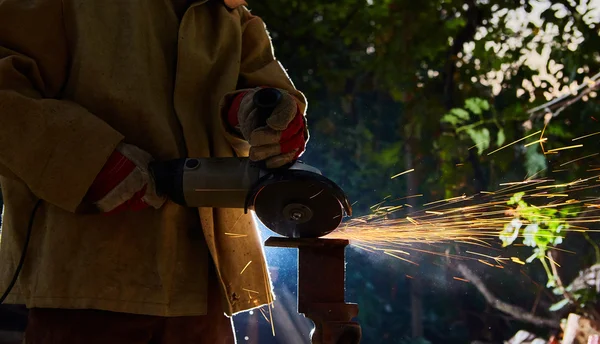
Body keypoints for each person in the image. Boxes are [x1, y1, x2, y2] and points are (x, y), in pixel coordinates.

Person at [0, 0, 308, 342]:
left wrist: (255, 114)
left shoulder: (228, 14)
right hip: (87, 288)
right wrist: (86, 159)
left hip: (203, 292)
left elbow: (265, 96)